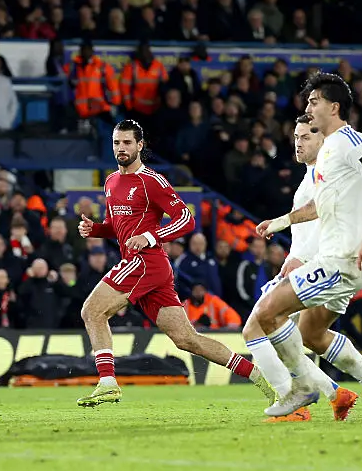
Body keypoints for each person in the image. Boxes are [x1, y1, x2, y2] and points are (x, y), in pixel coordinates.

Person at [77, 120, 277, 407]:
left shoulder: (152, 181)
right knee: (187, 340)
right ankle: (258, 375)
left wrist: (149, 236)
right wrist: (95, 229)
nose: (121, 148)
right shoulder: (111, 182)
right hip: (144, 267)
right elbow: (116, 225)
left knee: (92, 311)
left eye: (127, 143)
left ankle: (108, 382)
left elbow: (186, 219)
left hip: (145, 262)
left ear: (140, 146)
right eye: (117, 143)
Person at [248, 73, 362, 422]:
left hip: (343, 259)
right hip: (339, 259)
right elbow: (321, 205)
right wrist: (281, 222)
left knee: (268, 312)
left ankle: (303, 386)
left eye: (314, 102)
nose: (308, 108)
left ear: (334, 106)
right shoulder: (330, 148)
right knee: (311, 334)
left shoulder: (351, 141)